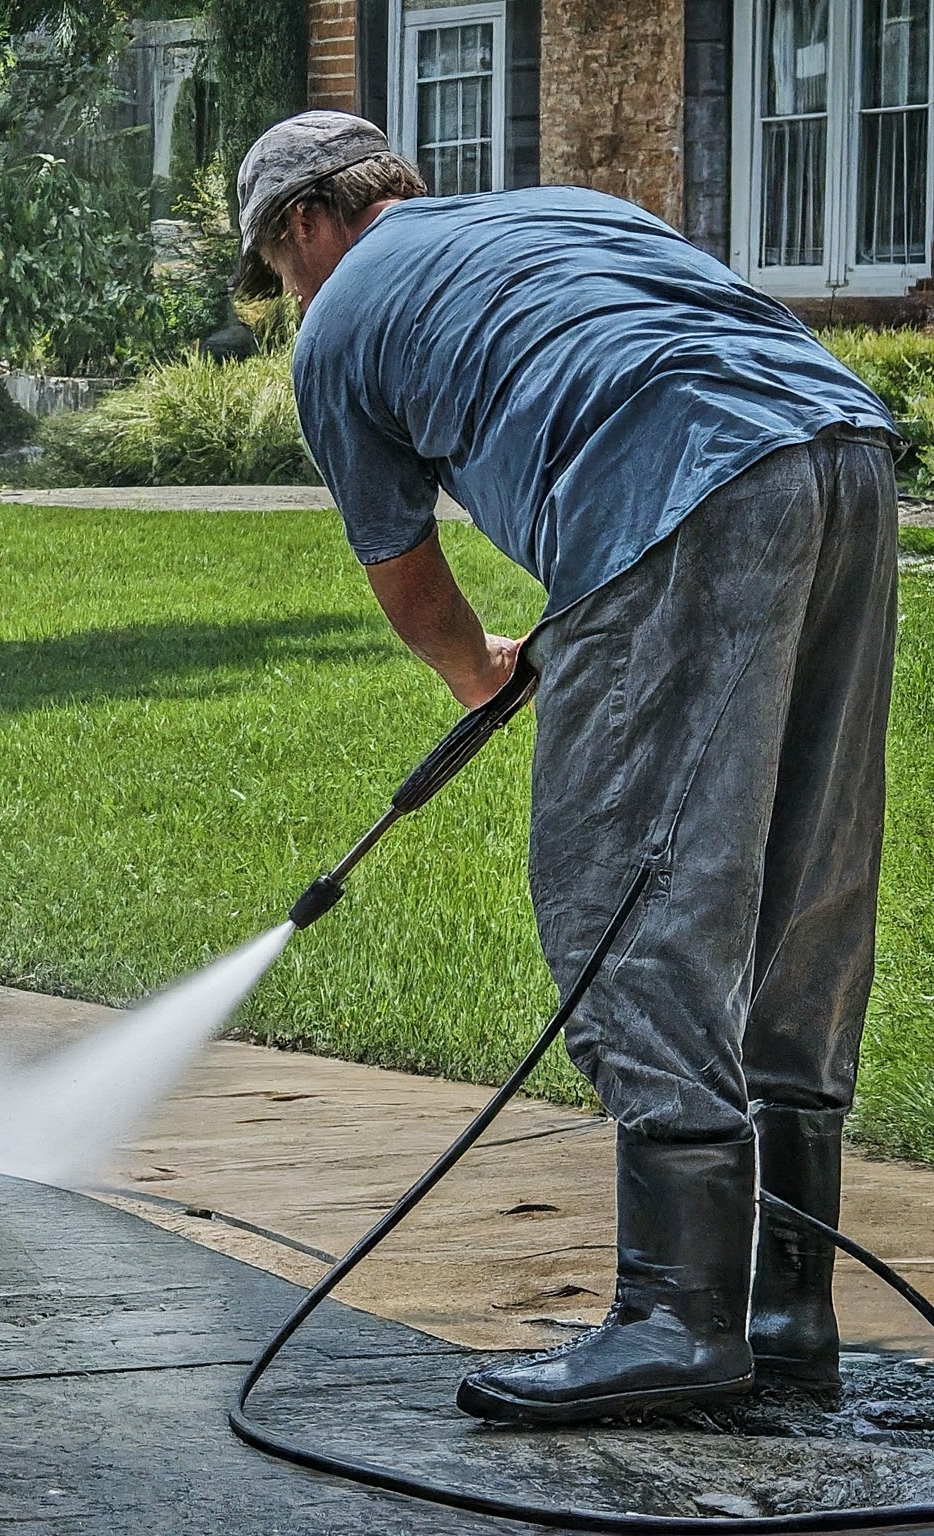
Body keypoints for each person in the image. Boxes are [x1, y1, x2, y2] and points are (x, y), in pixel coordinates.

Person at [235, 110, 900, 1426]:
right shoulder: (554, 212)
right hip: (844, 454)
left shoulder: (340, 319)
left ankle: (676, 1321)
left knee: (621, 890)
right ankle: (786, 1317)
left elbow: (413, 585)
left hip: (684, 488)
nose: (286, 292)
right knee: (801, 880)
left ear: (308, 222)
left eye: (276, 265)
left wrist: (488, 673)